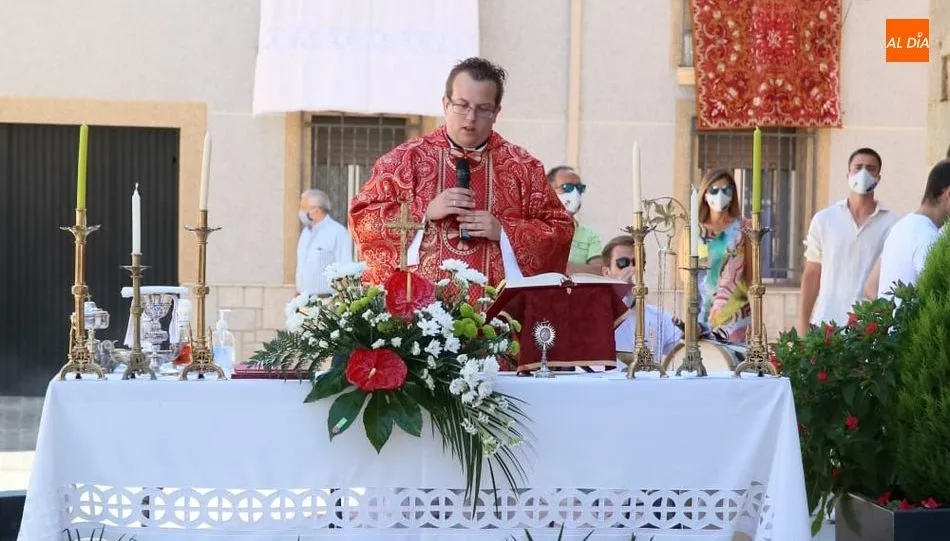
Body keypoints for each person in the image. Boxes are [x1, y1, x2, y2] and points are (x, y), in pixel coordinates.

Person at [349, 57, 574, 286]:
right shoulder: (406, 160)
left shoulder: (523, 168)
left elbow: (561, 230)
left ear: (496, 112)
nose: (470, 118)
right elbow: (363, 218)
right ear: (446, 104)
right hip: (421, 316)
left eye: (482, 108)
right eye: (462, 105)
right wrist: (423, 212)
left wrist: (505, 232)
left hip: (499, 313)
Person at [796, 148, 899, 334]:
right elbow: (812, 272)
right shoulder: (824, 220)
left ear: (878, 177)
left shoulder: (892, 225)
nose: (864, 173)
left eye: (870, 168)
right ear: (848, 174)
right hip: (825, 324)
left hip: (867, 327)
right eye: (858, 167)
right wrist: (803, 324)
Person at [680, 169, 750, 343]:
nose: (720, 195)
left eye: (726, 190)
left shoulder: (745, 228)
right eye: (714, 189)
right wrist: (690, 319)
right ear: (704, 193)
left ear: (733, 193)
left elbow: (752, 277)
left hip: (737, 316)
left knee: (735, 366)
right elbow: (685, 276)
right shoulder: (692, 230)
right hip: (701, 316)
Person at [864, 160, 950, 298]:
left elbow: (870, 287)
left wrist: (892, 316)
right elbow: (938, 298)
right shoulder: (928, 237)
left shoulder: (901, 226)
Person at [605, 235, 682, 360]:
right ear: (606, 272)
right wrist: (619, 290)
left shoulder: (657, 315)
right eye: (622, 263)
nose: (632, 269)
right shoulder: (594, 313)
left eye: (637, 263)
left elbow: (680, 351)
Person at [296, 189, 352, 297]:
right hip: (303, 298)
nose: (300, 212)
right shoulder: (306, 232)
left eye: (303, 208)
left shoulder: (338, 232)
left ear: (317, 210)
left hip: (326, 300)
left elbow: (345, 269)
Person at [547, 165, 602, 274]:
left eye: (579, 188)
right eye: (567, 187)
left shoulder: (589, 236)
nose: (575, 193)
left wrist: (557, 267)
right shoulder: (534, 229)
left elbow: (599, 271)